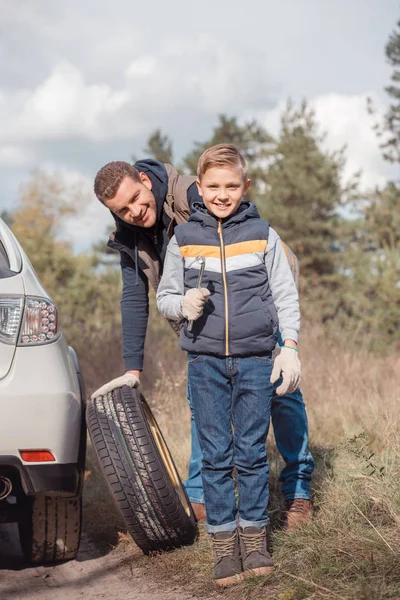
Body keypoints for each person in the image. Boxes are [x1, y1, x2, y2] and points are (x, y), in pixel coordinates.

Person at [91, 156, 314, 530]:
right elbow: (134, 298)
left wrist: (287, 344)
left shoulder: (191, 193)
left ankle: (297, 490)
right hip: (201, 315)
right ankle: (202, 497)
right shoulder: (129, 234)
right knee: (203, 400)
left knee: (280, 391)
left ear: (144, 180)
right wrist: (133, 368)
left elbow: (244, 224)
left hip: (257, 302)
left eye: (136, 198)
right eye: (122, 209)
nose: (134, 211)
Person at [156, 143, 303, 586]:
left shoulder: (263, 234)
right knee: (217, 456)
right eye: (214, 186)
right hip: (205, 364)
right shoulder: (182, 241)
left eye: (231, 186)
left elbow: (285, 294)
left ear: (246, 186)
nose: (222, 194)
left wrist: (290, 347)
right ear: (199, 187)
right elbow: (163, 298)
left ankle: (255, 541)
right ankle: (224, 547)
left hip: (258, 360)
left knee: (253, 453)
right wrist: (182, 304)